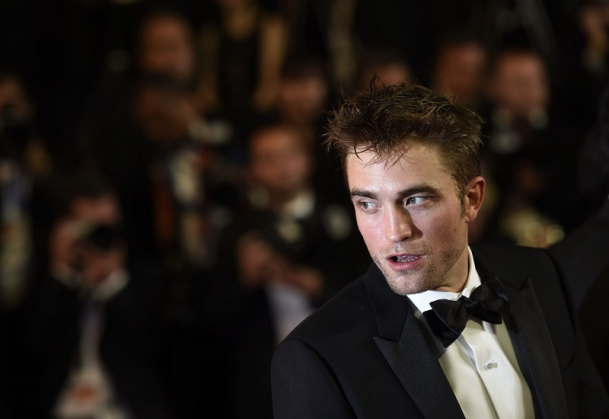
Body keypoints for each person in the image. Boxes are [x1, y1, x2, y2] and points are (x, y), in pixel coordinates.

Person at [271, 82, 609, 418]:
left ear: (472, 199)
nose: (394, 232)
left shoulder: (541, 274)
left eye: (416, 199)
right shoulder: (317, 359)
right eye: (368, 204)